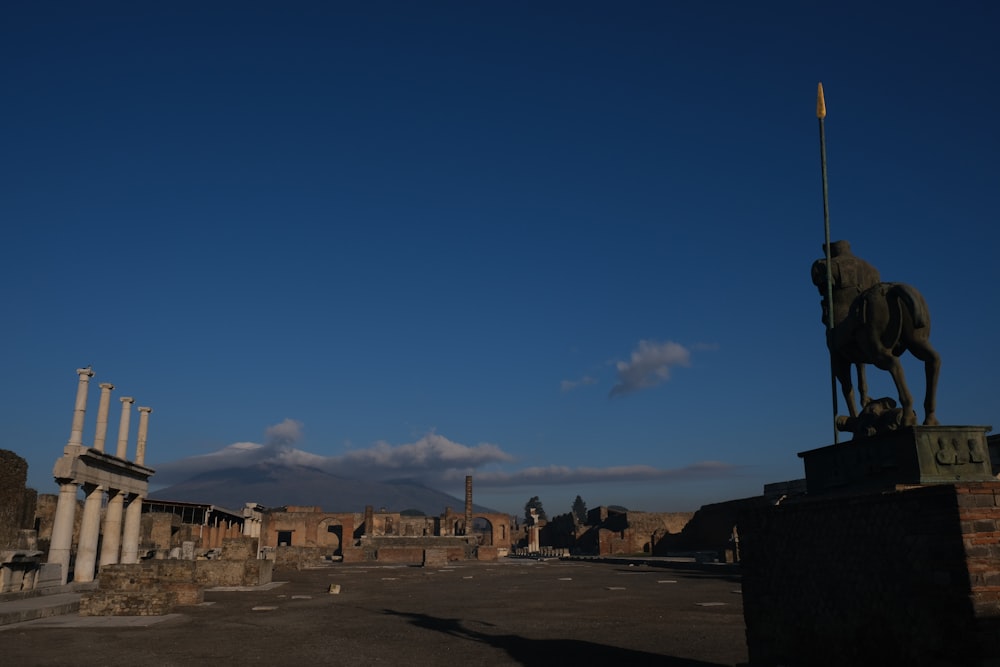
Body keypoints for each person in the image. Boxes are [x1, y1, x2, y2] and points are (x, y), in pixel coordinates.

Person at [810, 240, 881, 327]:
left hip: (841, 317)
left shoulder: (827, 265)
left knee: (834, 337)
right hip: (867, 316)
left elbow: (821, 286)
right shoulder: (873, 270)